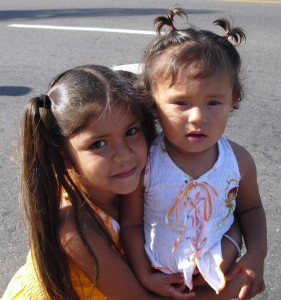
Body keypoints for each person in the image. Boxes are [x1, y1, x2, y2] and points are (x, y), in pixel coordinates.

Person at [2, 65, 243, 300]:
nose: (125, 155)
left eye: (131, 131)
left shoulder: (144, 179)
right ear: (65, 157)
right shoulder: (74, 226)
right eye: (98, 144)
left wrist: (240, 247)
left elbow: (223, 215)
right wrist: (238, 283)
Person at [120, 7, 267, 300]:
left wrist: (255, 257)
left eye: (213, 102)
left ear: (233, 100)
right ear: (152, 101)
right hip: (160, 281)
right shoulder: (145, 163)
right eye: (181, 103)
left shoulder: (238, 161)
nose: (198, 117)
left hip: (219, 282)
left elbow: (250, 209)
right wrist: (145, 276)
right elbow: (131, 224)